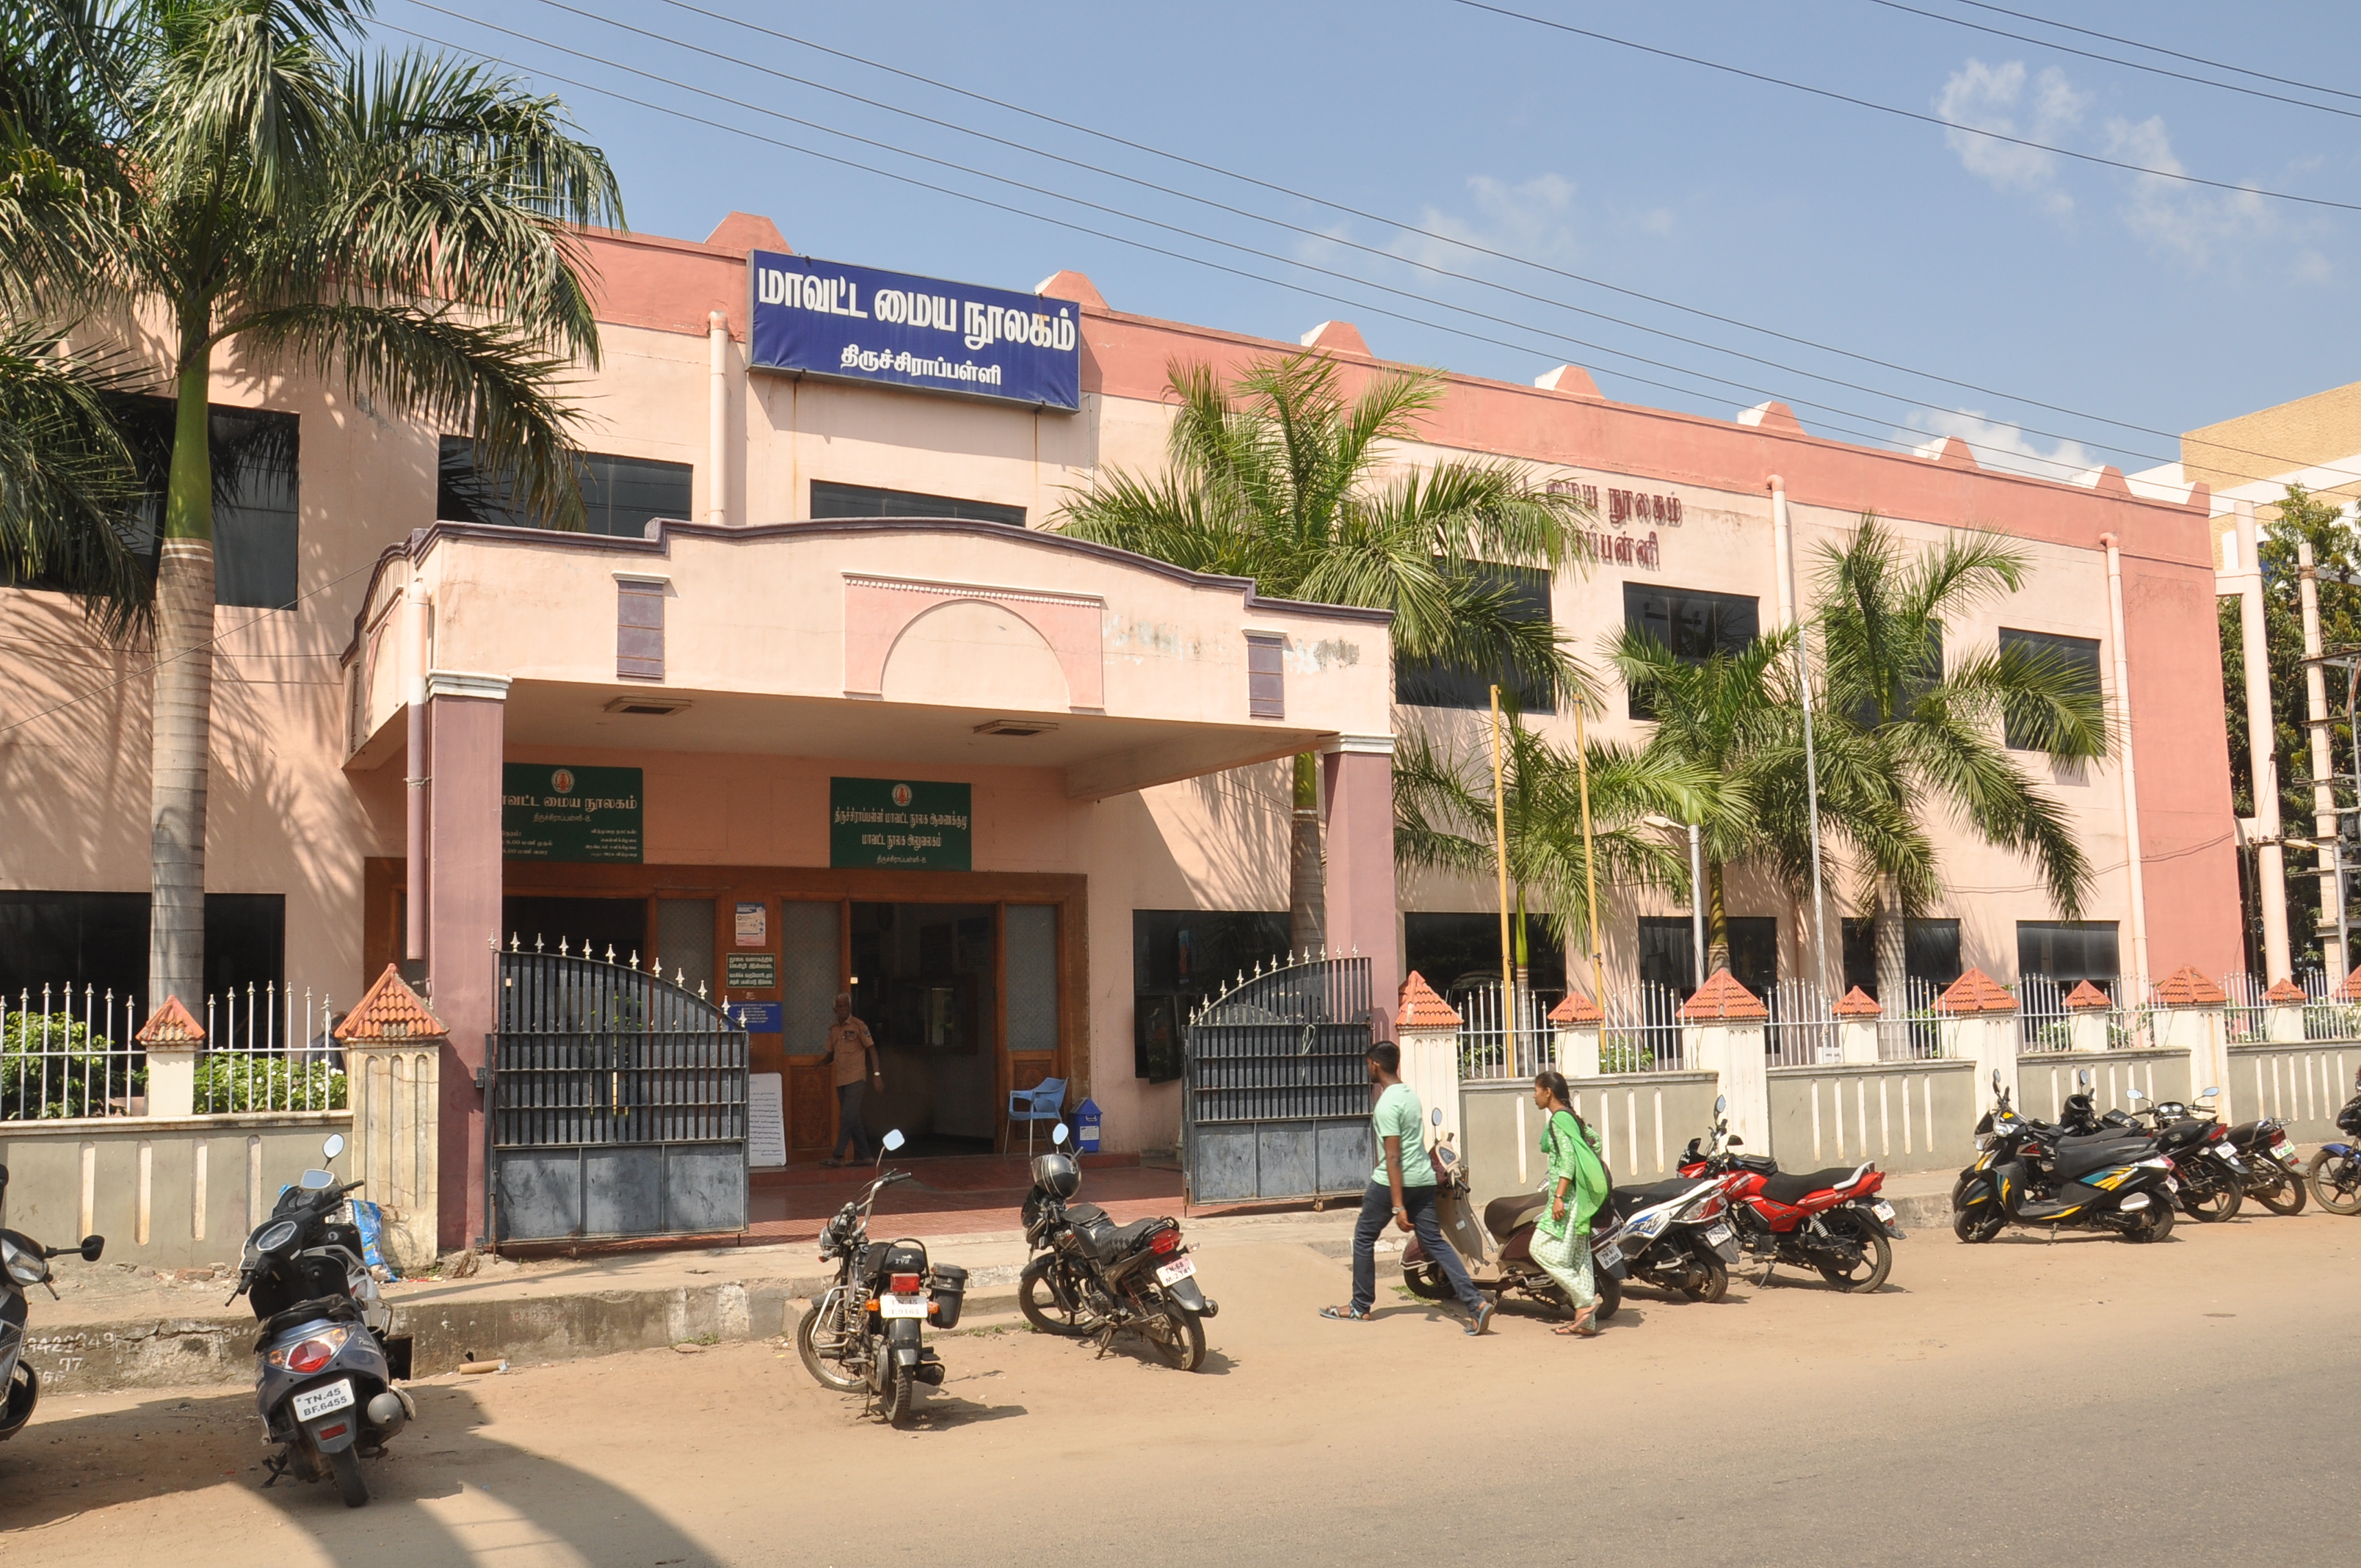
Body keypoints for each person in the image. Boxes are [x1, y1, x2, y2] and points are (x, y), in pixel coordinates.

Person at [1321, 1042, 1495, 1335]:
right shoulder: (1410, 1096)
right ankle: (1475, 1303)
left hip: (1394, 1183)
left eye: (1368, 1065)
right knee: (1435, 1242)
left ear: (1375, 1064)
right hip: (1424, 1179)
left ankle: (1359, 1306)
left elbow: (1392, 1156)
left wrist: (1398, 1205)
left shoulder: (1387, 1103)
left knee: (1364, 1237)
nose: (1368, 1069)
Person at [1531, 1070, 1610, 1337]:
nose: (1534, 1096)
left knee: (1539, 1248)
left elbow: (1567, 1161)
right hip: (1581, 1199)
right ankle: (1586, 1322)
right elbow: (1595, 1142)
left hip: (1568, 1199)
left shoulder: (1558, 1121)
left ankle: (1584, 1302)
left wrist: (1559, 1197)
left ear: (1548, 1092)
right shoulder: (1572, 1118)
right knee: (1580, 1258)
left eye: (1536, 1090)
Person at [822, 994, 882, 1167]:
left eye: (846, 1006)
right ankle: (866, 1156)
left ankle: (838, 1156)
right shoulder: (833, 1030)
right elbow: (830, 1054)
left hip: (856, 1078)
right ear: (835, 1010)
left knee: (847, 1116)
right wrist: (820, 1064)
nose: (844, 1010)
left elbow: (872, 1049)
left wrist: (877, 1075)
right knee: (853, 1118)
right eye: (840, 1007)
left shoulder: (858, 1026)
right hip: (841, 1080)